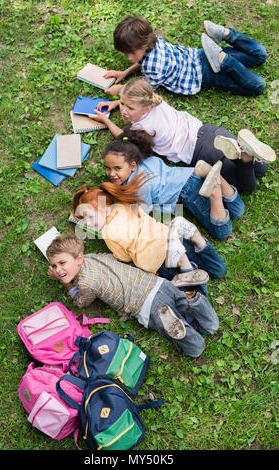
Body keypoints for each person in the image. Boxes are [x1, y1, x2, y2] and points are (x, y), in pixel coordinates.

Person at [90, 78, 276, 196]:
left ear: (146, 107)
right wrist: (116, 102)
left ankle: (246, 156)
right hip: (209, 132)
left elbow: (122, 137)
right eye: (122, 104)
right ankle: (246, 150)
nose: (123, 110)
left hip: (200, 152)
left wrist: (105, 121)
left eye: (129, 108)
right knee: (261, 169)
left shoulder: (142, 128)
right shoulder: (155, 100)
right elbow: (133, 98)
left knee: (246, 188)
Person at [46, 234, 220, 358]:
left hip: (148, 306)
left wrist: (65, 283)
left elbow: (80, 302)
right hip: (160, 284)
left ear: (78, 259)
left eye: (62, 263)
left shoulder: (86, 283)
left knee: (196, 348)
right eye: (53, 266)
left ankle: (181, 329)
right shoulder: (93, 258)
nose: (58, 270)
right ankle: (192, 296)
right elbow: (110, 257)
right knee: (210, 326)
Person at [71, 174, 227, 295]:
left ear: (104, 208)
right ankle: (199, 240)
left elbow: (124, 257)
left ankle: (186, 266)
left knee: (197, 294)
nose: (88, 223)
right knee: (218, 270)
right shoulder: (124, 205)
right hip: (171, 237)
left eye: (90, 217)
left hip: (159, 260)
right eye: (85, 220)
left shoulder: (107, 233)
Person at [103, 129, 245, 240]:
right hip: (192, 174)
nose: (111, 174)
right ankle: (216, 177)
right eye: (107, 168)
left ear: (132, 166)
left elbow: (142, 212)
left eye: (117, 168)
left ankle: (215, 192)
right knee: (238, 210)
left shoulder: (138, 185)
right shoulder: (147, 160)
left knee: (222, 231)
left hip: (187, 191)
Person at [103, 16, 267, 97]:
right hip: (202, 55)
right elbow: (142, 61)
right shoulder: (154, 40)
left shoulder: (153, 68)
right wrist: (124, 73)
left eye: (129, 53)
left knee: (257, 86)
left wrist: (121, 91)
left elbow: (142, 93)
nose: (127, 57)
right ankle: (226, 34)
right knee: (260, 55)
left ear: (143, 46)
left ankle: (224, 60)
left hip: (206, 74)